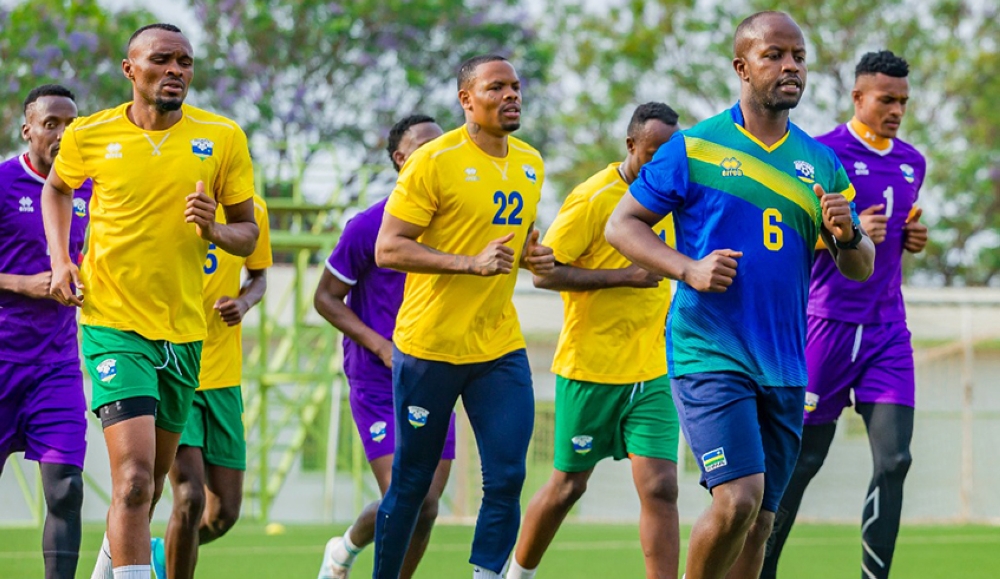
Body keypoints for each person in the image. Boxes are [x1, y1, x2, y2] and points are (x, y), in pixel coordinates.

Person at [605, 11, 875, 579]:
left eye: (798, 56)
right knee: (738, 499)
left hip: (783, 363)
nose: (790, 66)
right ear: (741, 66)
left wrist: (848, 233)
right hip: (710, 352)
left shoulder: (821, 163)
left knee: (759, 525)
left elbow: (859, 267)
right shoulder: (695, 148)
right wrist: (688, 269)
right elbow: (622, 226)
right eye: (774, 55)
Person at [41, 23, 259, 579]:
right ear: (129, 69)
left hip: (186, 335)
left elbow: (249, 237)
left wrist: (213, 230)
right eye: (162, 60)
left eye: (185, 62)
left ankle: (108, 565)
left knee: (151, 488)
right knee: (134, 479)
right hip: (113, 324)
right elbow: (58, 187)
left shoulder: (224, 137)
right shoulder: (90, 134)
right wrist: (61, 259)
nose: (176, 71)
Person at [372, 54, 555, 579]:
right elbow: (389, 249)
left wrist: (531, 255)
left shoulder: (530, 162)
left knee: (506, 476)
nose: (512, 95)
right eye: (497, 87)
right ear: (466, 100)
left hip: (497, 347)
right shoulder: (434, 160)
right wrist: (468, 264)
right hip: (429, 348)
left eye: (516, 86)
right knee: (412, 483)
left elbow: (510, 241)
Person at [762, 50, 927, 579]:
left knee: (895, 461)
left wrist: (909, 238)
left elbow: (896, 237)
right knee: (800, 464)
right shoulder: (820, 155)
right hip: (824, 329)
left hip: (887, 333)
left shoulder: (912, 162)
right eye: (886, 99)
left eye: (903, 100)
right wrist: (848, 237)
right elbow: (786, 241)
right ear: (858, 98)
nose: (897, 109)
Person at [507, 102, 682, 579]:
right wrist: (623, 276)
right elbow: (546, 273)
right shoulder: (593, 197)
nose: (664, 164)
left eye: (673, 154)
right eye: (654, 152)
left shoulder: (678, 195)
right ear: (631, 146)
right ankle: (517, 574)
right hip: (591, 368)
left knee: (662, 486)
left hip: (655, 369)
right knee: (568, 485)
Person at [314, 114, 451, 579]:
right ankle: (348, 549)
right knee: (410, 495)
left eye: (443, 147)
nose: (437, 155)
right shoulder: (368, 225)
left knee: (428, 506)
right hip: (378, 377)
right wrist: (380, 346)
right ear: (401, 160)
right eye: (424, 148)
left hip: (436, 373)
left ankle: (353, 549)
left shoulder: (457, 224)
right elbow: (325, 298)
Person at [154, 194, 272, 579]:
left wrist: (245, 303)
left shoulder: (255, 210)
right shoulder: (170, 197)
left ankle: (160, 554)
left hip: (223, 377)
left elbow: (258, 275)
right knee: (188, 497)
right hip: (173, 367)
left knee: (224, 514)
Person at [0, 84, 90, 579]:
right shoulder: (2, 184)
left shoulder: (91, 190)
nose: (61, 133)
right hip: (2, 359)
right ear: (27, 129)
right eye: (51, 123)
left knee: (65, 489)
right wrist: (23, 285)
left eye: (71, 124)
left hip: (56, 366)